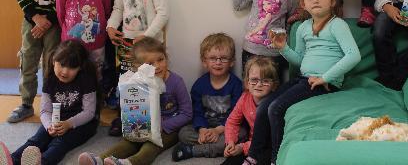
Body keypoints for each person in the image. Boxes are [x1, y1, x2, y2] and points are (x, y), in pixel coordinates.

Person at [243, 0, 361, 165]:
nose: (316, 0)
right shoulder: (302, 27)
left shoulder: (338, 25)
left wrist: (325, 77)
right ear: (303, 4)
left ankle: (276, 159)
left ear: (332, 1)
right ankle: (254, 156)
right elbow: (299, 60)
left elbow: (353, 55)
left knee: (275, 108)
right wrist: (283, 48)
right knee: (264, 106)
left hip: (325, 83)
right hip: (303, 79)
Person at [78, 38, 192, 165]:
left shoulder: (176, 82)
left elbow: (187, 113)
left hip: (169, 128)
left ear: (166, 57)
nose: (158, 66)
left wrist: (163, 126)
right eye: (150, 64)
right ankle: (99, 160)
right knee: (129, 142)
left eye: (160, 59)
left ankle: (130, 162)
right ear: (139, 67)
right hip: (144, 124)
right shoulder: (137, 84)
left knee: (151, 146)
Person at [8, 0, 68, 124]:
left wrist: (47, 21)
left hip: (53, 23)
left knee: (52, 63)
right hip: (31, 22)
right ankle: (26, 104)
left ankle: (50, 103)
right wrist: (35, 18)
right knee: (28, 61)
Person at [106, 0, 169, 135]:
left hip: (150, 45)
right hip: (126, 44)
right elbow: (118, 8)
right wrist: (110, 26)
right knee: (128, 81)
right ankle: (127, 119)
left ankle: (153, 120)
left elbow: (163, 14)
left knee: (151, 81)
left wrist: (147, 36)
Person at [10, 40, 99, 165]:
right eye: (61, 65)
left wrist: (68, 124)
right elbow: (45, 110)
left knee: (59, 143)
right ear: (53, 61)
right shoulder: (50, 79)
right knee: (36, 140)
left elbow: (89, 112)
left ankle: (41, 163)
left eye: (72, 67)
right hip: (56, 120)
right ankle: (11, 160)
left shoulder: (86, 79)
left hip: (82, 123)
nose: (65, 71)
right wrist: (49, 125)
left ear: (80, 68)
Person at [172, 33, 243, 161]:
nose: (218, 62)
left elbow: (236, 114)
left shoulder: (237, 85)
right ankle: (211, 143)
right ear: (204, 62)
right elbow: (197, 112)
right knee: (183, 133)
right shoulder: (199, 85)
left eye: (224, 58)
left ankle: (195, 150)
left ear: (232, 62)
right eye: (213, 58)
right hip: (206, 124)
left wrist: (218, 130)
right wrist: (202, 130)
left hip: (227, 126)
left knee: (242, 134)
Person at [232, 0, 298, 81]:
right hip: (251, 49)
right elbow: (238, 5)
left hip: (275, 52)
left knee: (273, 87)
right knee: (249, 86)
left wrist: (286, 44)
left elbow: (292, 20)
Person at [222, 57, 278, 165]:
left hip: (267, 147)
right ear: (247, 83)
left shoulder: (274, 105)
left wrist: (243, 147)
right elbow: (232, 121)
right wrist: (231, 142)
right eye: (254, 80)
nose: (259, 84)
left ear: (274, 85)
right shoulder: (244, 98)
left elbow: (269, 139)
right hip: (250, 144)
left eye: (265, 81)